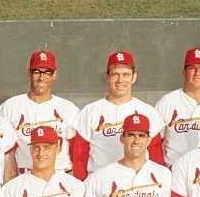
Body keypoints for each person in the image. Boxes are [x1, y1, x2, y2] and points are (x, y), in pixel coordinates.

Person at [69, 51, 164, 180]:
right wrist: (83, 184)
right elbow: (79, 155)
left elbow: (156, 153)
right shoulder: (90, 111)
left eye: (126, 74)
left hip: (138, 183)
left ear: (134, 77)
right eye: (115, 74)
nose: (120, 80)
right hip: (100, 182)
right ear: (107, 77)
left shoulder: (147, 111)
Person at [0, 50, 79, 174]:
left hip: (60, 176)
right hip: (23, 176)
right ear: (29, 73)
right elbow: (0, 146)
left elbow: (78, 151)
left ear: (54, 74)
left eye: (47, 72)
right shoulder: (11, 106)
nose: (42, 77)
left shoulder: (68, 108)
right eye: (37, 72)